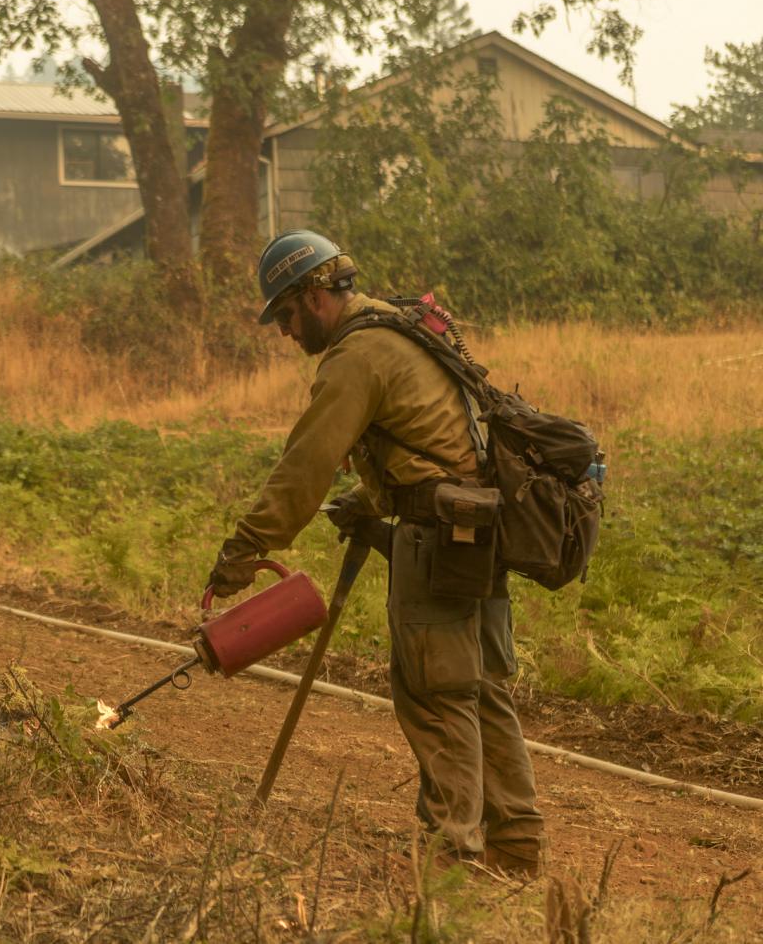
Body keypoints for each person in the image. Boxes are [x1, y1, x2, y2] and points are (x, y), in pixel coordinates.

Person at [206, 230, 543, 878]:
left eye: (283, 313)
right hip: (483, 530)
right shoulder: (399, 324)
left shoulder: (355, 356)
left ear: (312, 295)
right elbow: (433, 437)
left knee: (435, 690)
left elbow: (304, 466)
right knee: (483, 686)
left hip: (439, 540)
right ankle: (517, 843)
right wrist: (368, 499)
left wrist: (245, 547)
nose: (283, 330)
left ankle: (453, 858)